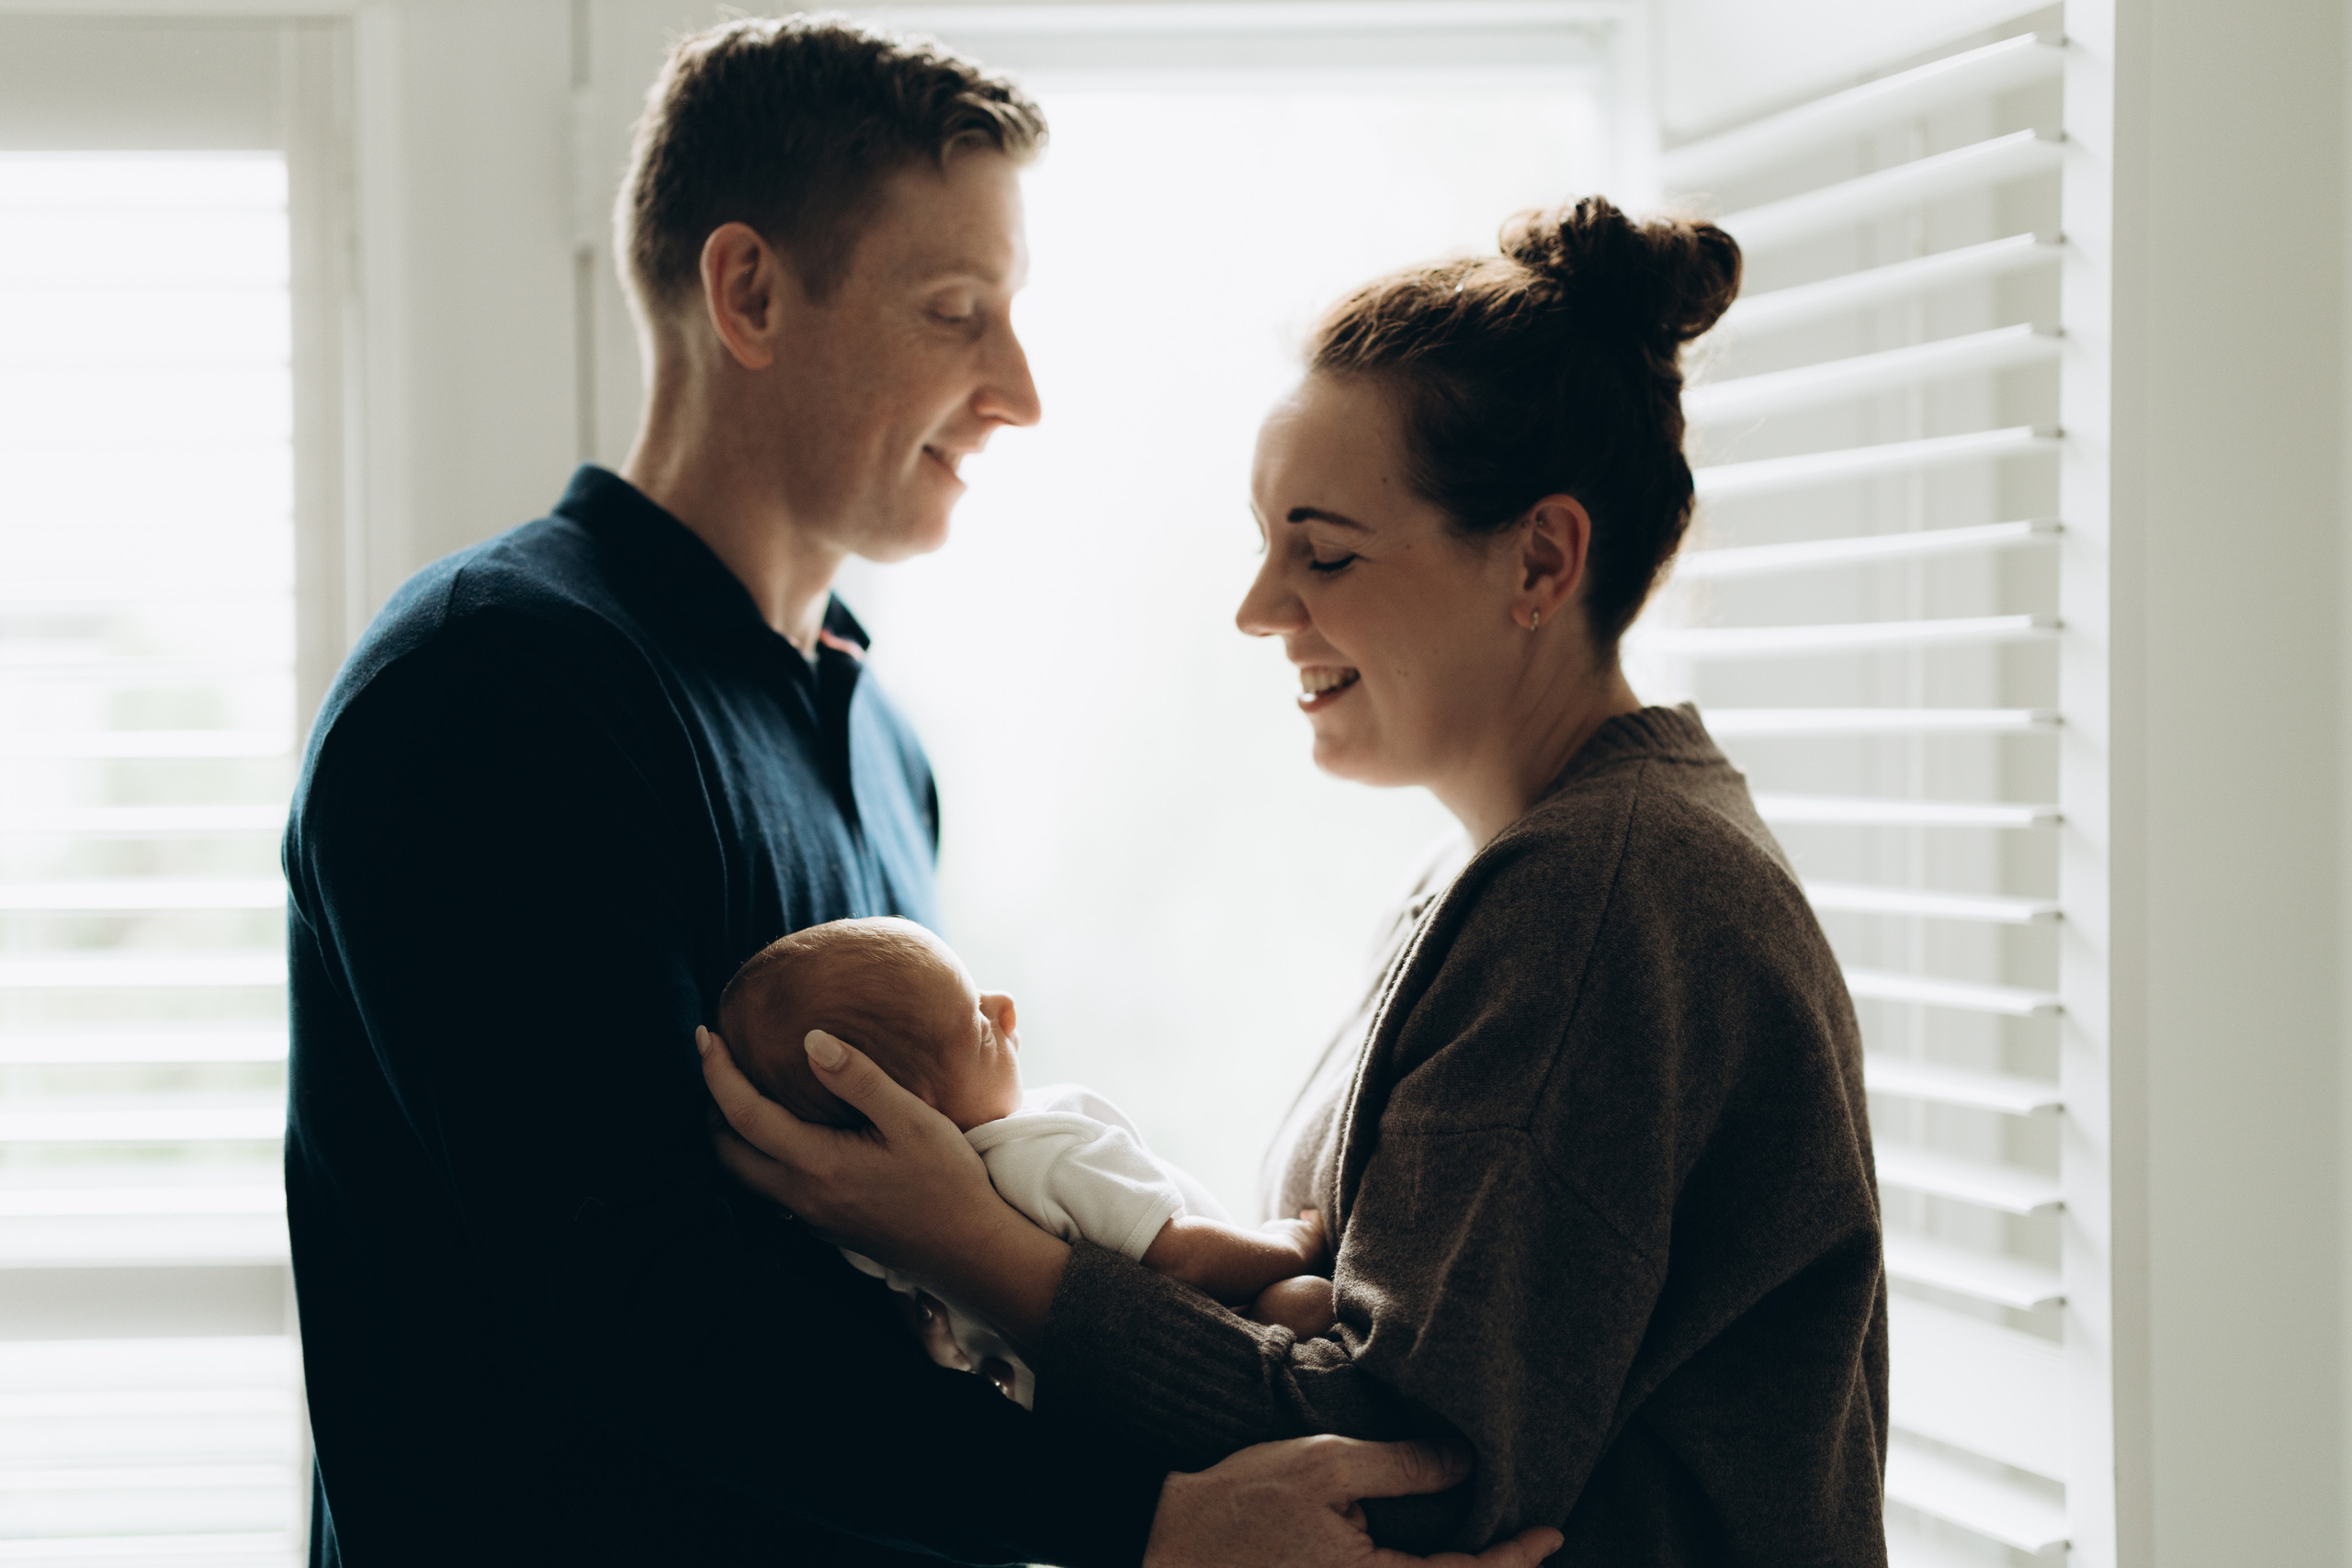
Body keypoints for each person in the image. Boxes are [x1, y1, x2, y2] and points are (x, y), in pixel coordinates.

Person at [281, 15, 1562, 1568]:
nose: (1016, 389)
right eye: (959, 311)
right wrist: (1145, 1527)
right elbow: (632, 1308)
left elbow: (894, 1293)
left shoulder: (879, 741)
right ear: (749, 291)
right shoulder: (495, 693)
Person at [702, 196, 1893, 1562]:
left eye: (1322, 551)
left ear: (1543, 559)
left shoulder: (1607, 895)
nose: (1261, 607)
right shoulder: (1518, 869)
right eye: (1268, 543)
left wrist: (982, 1248)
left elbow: (1392, 1465)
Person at [714, 916, 1337, 1406]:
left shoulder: (868, 1233)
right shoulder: (1043, 1154)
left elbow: (938, 1332)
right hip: (1206, 1354)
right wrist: (1290, 1242)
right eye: (980, 1027)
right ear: (913, 1112)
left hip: (1082, 1411)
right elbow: (1182, 1255)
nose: (1002, 1004)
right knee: (1303, 1302)